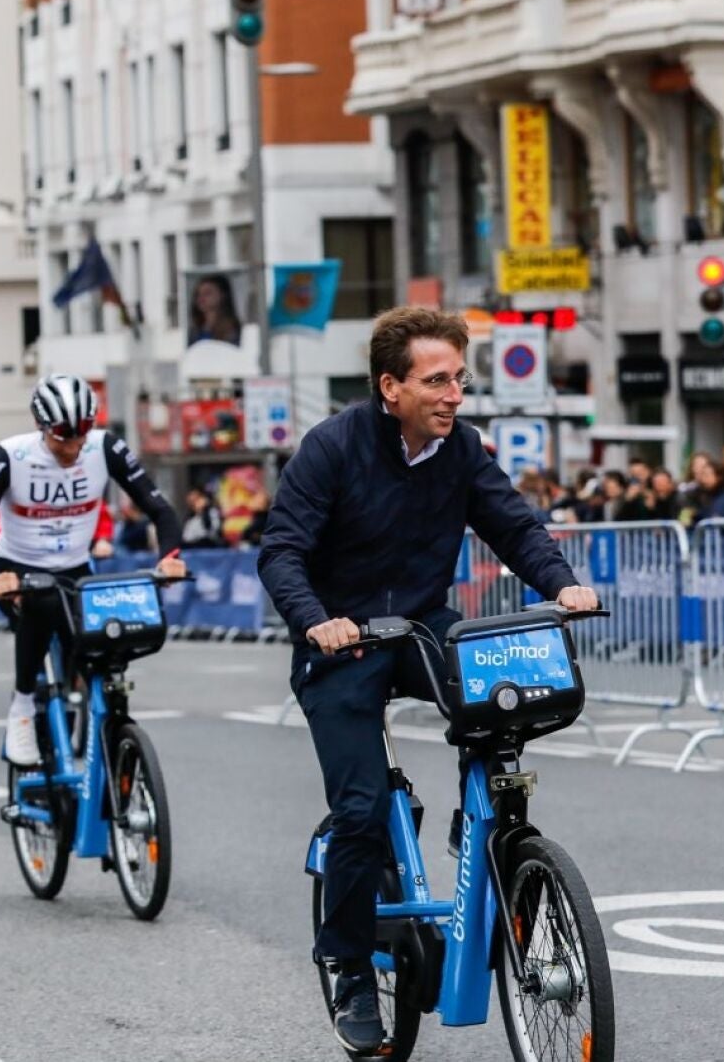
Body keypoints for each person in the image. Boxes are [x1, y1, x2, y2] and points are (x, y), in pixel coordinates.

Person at [256, 307, 596, 1054]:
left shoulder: (461, 448)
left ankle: (487, 828)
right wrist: (317, 620)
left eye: (459, 379)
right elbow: (280, 551)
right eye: (437, 380)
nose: (454, 394)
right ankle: (349, 965)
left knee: (502, 698)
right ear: (391, 387)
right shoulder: (332, 447)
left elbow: (514, 526)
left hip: (418, 625)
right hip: (341, 639)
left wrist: (562, 583)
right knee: (359, 808)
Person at [0, 375, 184, 766]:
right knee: (42, 605)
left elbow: (161, 511)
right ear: (40, 426)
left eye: (82, 434)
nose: (74, 447)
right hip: (19, 568)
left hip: (75, 567)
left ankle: (106, 726)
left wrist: (169, 557)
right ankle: (22, 706)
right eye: (63, 437)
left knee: (106, 639)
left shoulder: (106, 447)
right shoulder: (7, 457)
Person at [187, 273, 243, 345]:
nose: (201, 298)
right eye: (198, 294)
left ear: (222, 295)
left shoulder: (233, 330)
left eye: (207, 293)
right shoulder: (195, 331)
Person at [682, 457, 724, 524]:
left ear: (719, 477)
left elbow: (715, 519)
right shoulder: (701, 494)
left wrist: (697, 515)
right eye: (703, 475)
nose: (703, 479)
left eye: (707, 475)